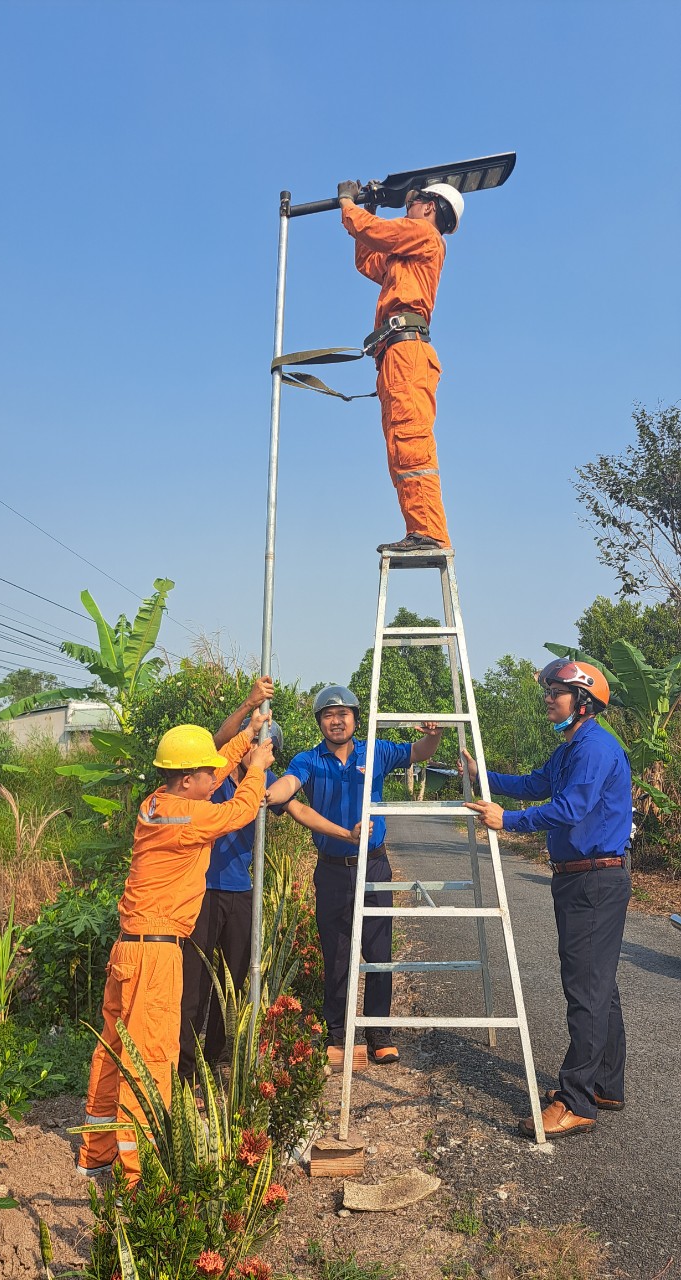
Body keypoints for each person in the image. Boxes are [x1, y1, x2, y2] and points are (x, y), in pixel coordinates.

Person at [77, 691, 274, 1183]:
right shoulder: (192, 818)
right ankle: (138, 1175)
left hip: (130, 948)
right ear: (188, 780)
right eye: (207, 775)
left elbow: (217, 773)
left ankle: (97, 1151)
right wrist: (259, 765)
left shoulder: (160, 805)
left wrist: (247, 735)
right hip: (157, 955)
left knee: (114, 1051)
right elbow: (241, 809)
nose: (215, 780)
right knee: (152, 1059)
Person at [462, 659, 633, 1140]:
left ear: (583, 701)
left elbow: (571, 808)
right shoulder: (571, 749)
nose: (547, 698)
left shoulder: (595, 747)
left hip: (594, 882)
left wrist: (508, 822)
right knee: (601, 987)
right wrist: (482, 775)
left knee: (586, 991)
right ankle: (604, 1083)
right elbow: (534, 785)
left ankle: (576, 1100)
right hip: (583, 879)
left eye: (556, 691)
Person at [178, 714, 368, 1081]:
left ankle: (213, 1060)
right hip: (201, 890)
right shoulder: (213, 777)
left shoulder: (263, 783)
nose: (261, 752)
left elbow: (300, 810)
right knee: (195, 983)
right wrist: (248, 709)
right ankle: (183, 1068)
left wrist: (346, 834)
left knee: (230, 983)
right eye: (257, 745)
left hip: (240, 892)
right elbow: (217, 742)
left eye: (269, 749)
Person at [265, 685, 443, 1067]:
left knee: (378, 951)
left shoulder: (375, 750)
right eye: (328, 715)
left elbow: (418, 752)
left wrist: (433, 734)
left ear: (355, 719)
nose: (336, 720)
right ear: (320, 723)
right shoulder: (309, 760)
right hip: (331, 870)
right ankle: (338, 1035)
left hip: (373, 865)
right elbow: (289, 784)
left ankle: (379, 1034)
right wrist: (268, 793)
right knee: (337, 953)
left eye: (343, 714)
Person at [337, 177, 464, 554]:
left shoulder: (424, 236)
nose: (409, 206)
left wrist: (350, 204)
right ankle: (420, 528)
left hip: (407, 354)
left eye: (414, 202)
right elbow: (368, 259)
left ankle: (429, 532)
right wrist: (368, 206)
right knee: (399, 447)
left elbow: (374, 231)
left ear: (429, 207)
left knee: (411, 441)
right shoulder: (407, 252)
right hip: (395, 355)